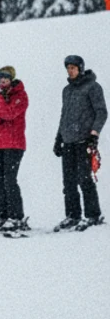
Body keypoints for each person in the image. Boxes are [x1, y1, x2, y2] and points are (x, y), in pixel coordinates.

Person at [54, 55, 107, 231]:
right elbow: (64, 115)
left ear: (81, 69)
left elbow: (101, 112)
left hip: (85, 139)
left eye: (73, 68)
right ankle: (73, 215)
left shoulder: (92, 87)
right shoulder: (66, 90)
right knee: (68, 181)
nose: (70, 71)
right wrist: (59, 138)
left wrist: (94, 134)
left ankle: (93, 215)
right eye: (68, 68)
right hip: (68, 140)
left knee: (84, 179)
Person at [0, 67, 29, 231]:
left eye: (5, 78)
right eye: (0, 78)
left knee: (10, 180)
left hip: (14, 144)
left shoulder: (20, 95)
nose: (2, 81)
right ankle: (3, 215)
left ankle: (16, 217)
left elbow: (8, 114)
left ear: (12, 79)